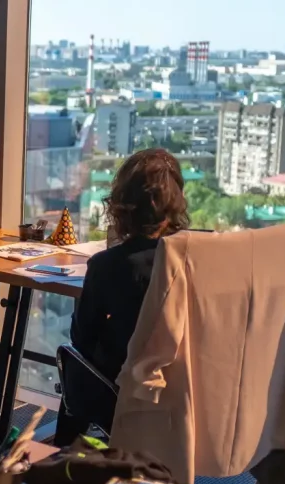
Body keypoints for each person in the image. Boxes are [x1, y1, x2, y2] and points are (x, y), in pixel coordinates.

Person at [57, 148, 190, 445]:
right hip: (187, 390)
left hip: (124, 393)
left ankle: (64, 460)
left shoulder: (108, 265)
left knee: (73, 356)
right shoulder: (196, 258)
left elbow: (81, 339)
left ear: (120, 206)